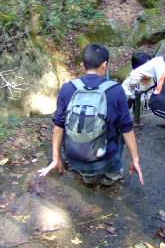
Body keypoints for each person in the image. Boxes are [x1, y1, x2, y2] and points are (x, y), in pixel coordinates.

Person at [47, 44, 144, 187]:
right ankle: (112, 174)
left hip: (74, 159)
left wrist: (56, 158)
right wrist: (135, 159)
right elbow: (127, 129)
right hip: (104, 159)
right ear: (104, 65)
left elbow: (58, 126)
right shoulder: (116, 90)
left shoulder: (67, 88)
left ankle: (87, 176)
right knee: (120, 132)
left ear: (83, 64)